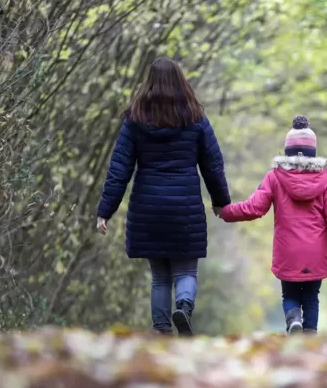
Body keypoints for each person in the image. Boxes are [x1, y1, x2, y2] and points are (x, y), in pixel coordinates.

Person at [95, 58, 230, 337]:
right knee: (186, 273)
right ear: (181, 82)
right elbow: (213, 165)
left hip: (149, 207)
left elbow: (119, 170)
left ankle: (161, 331)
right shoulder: (196, 119)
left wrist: (105, 210)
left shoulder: (134, 120)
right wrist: (221, 201)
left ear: (149, 82)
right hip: (185, 208)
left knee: (159, 278)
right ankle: (183, 304)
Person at [215, 115, 327, 334]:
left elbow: (254, 208)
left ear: (287, 151)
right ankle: (309, 337)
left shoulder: (274, 177)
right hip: (315, 252)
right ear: (313, 152)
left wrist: (226, 212)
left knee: (290, 294)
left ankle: (293, 319)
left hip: (287, 251)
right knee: (311, 297)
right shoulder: (325, 179)